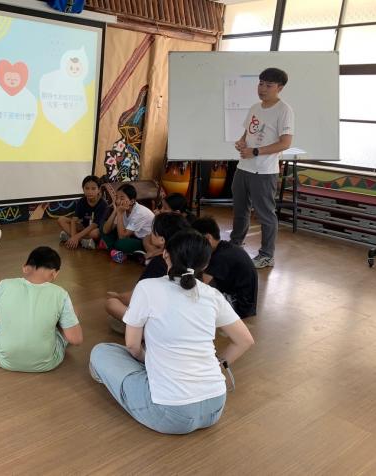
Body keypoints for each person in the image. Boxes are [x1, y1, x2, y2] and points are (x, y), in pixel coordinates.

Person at [90, 229, 255, 434]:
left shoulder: (147, 287)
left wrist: (146, 359)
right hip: (215, 406)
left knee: (101, 352)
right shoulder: (212, 294)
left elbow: (132, 346)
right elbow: (245, 340)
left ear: (165, 254)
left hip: (170, 414)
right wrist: (218, 365)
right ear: (205, 264)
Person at [0, 246, 83, 372]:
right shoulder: (60, 294)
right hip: (47, 362)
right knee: (73, 312)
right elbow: (76, 339)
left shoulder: (3, 285)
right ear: (54, 273)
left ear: (25, 267)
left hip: (5, 361)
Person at [232, 67, 294, 269]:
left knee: (266, 215)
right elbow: (247, 134)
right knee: (240, 210)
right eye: (260, 84)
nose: (262, 89)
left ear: (280, 88)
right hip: (244, 167)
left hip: (265, 171)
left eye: (268, 85)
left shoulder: (284, 110)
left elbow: (285, 143)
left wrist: (256, 151)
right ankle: (235, 244)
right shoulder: (254, 108)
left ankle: (267, 255)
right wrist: (241, 143)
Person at [105, 213, 190, 334]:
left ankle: (145, 333)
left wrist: (118, 296)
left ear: (162, 239)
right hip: (184, 320)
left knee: (111, 303)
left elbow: (136, 297)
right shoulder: (190, 257)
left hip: (161, 321)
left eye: (153, 231)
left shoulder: (159, 262)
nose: (150, 233)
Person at [192, 216, 258, 318]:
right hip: (243, 300)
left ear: (208, 238)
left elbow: (200, 287)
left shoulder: (221, 257)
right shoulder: (225, 247)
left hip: (239, 306)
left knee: (196, 300)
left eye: (196, 241)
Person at [100, 184, 155, 263]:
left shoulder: (140, 212)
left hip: (145, 242)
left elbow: (122, 237)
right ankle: (116, 251)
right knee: (103, 226)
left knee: (121, 243)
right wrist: (115, 211)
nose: (118, 201)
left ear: (132, 201)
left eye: (122, 198)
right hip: (130, 235)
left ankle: (113, 249)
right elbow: (106, 230)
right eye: (116, 197)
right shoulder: (122, 208)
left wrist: (119, 213)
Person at [58, 175, 108, 250]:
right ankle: (82, 240)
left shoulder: (103, 204)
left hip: (94, 229)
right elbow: (74, 220)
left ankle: (71, 238)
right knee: (61, 219)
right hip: (83, 227)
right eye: (87, 188)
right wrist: (74, 237)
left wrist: (76, 237)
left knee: (95, 233)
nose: (90, 192)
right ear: (83, 189)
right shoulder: (81, 201)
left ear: (99, 190)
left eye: (93, 189)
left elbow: (94, 225)